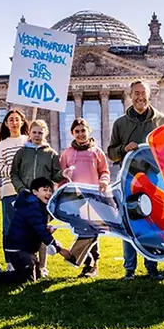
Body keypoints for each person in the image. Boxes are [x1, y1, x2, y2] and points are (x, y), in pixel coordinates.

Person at [107, 81, 164, 280]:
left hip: (153, 181)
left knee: (151, 223)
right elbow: (111, 153)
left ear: (149, 95)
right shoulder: (120, 123)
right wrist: (124, 149)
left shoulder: (161, 120)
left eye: (143, 93)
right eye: (136, 93)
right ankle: (129, 269)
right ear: (130, 95)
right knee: (129, 223)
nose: (140, 97)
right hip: (128, 181)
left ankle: (152, 267)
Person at [11, 119, 65, 278]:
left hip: (43, 201)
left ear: (45, 134)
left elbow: (55, 174)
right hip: (25, 198)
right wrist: (21, 189)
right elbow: (14, 173)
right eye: (34, 132)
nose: (37, 135)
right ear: (29, 133)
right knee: (25, 231)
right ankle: (28, 263)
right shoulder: (22, 152)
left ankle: (42, 266)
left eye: (40, 133)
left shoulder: (51, 153)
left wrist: (63, 174)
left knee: (42, 232)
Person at [58, 118, 111, 278]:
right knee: (82, 230)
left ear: (89, 131)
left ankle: (92, 264)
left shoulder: (97, 152)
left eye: (83, 131)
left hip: (94, 197)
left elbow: (105, 171)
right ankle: (86, 260)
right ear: (72, 134)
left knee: (93, 229)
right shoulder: (67, 153)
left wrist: (103, 181)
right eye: (77, 131)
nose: (80, 134)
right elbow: (61, 177)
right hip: (75, 198)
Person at [0, 177, 73, 285]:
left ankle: (27, 267)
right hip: (18, 249)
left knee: (36, 276)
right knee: (25, 278)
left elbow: (35, 227)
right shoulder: (33, 207)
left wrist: (46, 229)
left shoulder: (38, 206)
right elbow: (40, 231)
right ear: (35, 192)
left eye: (50, 191)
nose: (48, 193)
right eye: (45, 190)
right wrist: (60, 249)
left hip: (26, 248)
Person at [0, 109, 30, 265]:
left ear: (22, 121)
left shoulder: (29, 141)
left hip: (29, 191)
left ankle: (29, 260)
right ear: (6, 123)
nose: (14, 123)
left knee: (29, 227)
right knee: (9, 228)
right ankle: (10, 262)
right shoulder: (2, 144)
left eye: (17, 119)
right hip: (9, 191)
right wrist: (15, 170)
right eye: (11, 120)